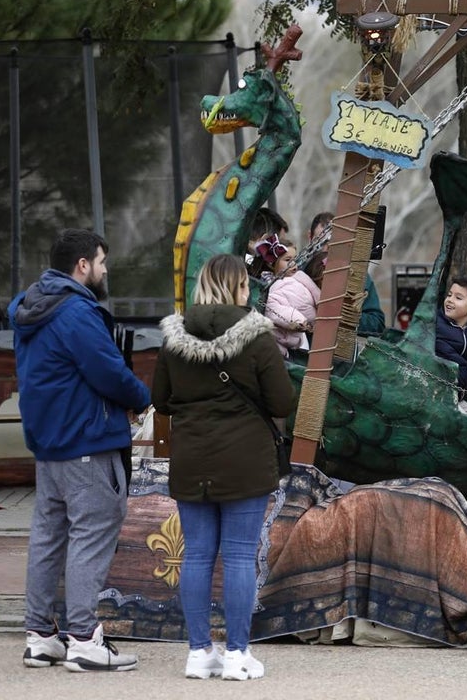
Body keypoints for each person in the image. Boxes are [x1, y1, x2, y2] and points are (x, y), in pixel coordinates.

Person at [8, 228, 150, 672]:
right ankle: (85, 640)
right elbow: (109, 372)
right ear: (83, 265)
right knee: (92, 532)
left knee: (48, 537)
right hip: (87, 440)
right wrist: (143, 397)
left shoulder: (30, 307)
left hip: (48, 442)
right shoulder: (76, 312)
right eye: (102, 262)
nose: (105, 271)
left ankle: (41, 637)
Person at [153, 254, 295, 680]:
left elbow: (160, 400)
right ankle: (236, 654)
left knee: (196, 555)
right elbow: (282, 402)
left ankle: (199, 653)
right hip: (245, 460)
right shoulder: (257, 336)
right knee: (237, 555)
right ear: (239, 287)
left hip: (191, 457)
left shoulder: (174, 337)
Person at [309, 211, 386, 336]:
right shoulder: (297, 273)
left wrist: (346, 315)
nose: (326, 248)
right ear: (310, 237)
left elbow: (377, 324)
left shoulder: (357, 276)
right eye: (321, 243)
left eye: (333, 243)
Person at [255, 234, 323, 358]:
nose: (293, 265)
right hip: (283, 336)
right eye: (287, 260)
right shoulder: (269, 286)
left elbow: (315, 291)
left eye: (295, 260)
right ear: (272, 264)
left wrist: (322, 303)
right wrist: (298, 320)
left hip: (301, 336)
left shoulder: (300, 277)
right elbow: (276, 309)